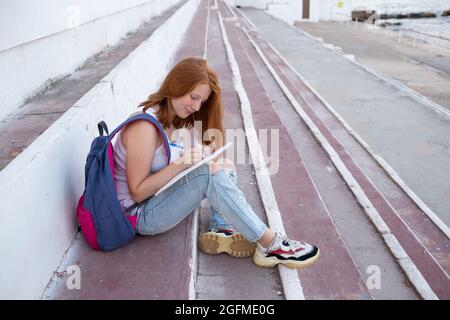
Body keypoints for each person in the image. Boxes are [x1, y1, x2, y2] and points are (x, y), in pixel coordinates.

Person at [113, 57, 320, 269]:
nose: (196, 107)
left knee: (224, 165)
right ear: (176, 85)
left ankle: (221, 226)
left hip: (153, 203)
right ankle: (271, 244)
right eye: (193, 97)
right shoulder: (144, 127)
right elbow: (137, 192)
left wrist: (195, 159)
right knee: (207, 172)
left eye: (201, 102)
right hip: (136, 216)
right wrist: (183, 164)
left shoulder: (171, 122)